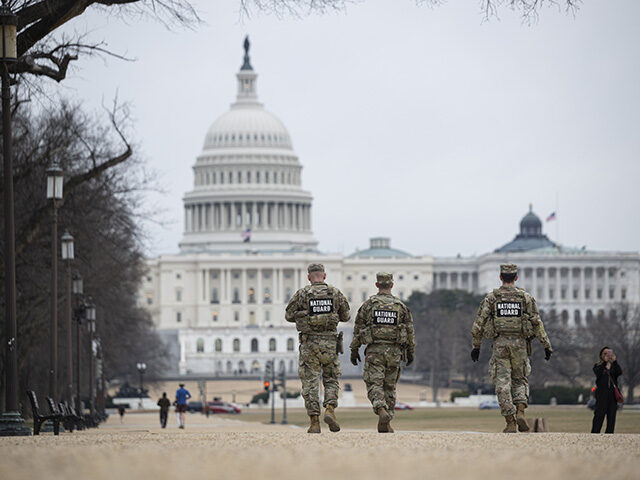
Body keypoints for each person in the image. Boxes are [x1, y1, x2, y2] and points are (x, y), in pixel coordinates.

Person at [470, 263, 552, 433]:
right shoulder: (525, 298)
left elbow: (478, 325)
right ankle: (521, 411)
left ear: (500, 277)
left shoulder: (492, 298)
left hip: (500, 344)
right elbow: (537, 323)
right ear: (516, 277)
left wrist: (476, 346)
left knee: (502, 383)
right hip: (520, 344)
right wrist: (546, 345)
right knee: (520, 379)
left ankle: (510, 422)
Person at [285, 263, 350, 433]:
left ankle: (314, 422)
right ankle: (329, 409)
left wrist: (305, 314)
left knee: (311, 383)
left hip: (310, 345)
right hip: (329, 344)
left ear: (309, 277)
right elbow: (346, 315)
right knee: (331, 379)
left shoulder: (302, 294)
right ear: (324, 276)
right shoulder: (334, 293)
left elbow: (288, 315)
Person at [350, 272, 415, 433]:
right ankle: (387, 421)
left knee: (374, 384)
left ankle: (381, 410)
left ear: (377, 285)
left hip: (375, 351)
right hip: (395, 352)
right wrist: (410, 352)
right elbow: (410, 331)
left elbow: (358, 329)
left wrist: (354, 349)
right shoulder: (400, 306)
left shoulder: (368, 305)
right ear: (392, 285)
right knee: (390, 387)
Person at [591, 346, 622, 434]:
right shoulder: (598, 366)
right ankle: (595, 434)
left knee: (611, 416)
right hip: (602, 394)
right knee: (599, 415)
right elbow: (598, 373)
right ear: (601, 355)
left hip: (612, 395)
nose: (607, 355)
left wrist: (615, 361)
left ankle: (609, 435)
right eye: (605, 353)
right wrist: (604, 363)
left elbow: (619, 372)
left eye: (608, 353)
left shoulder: (613, 366)